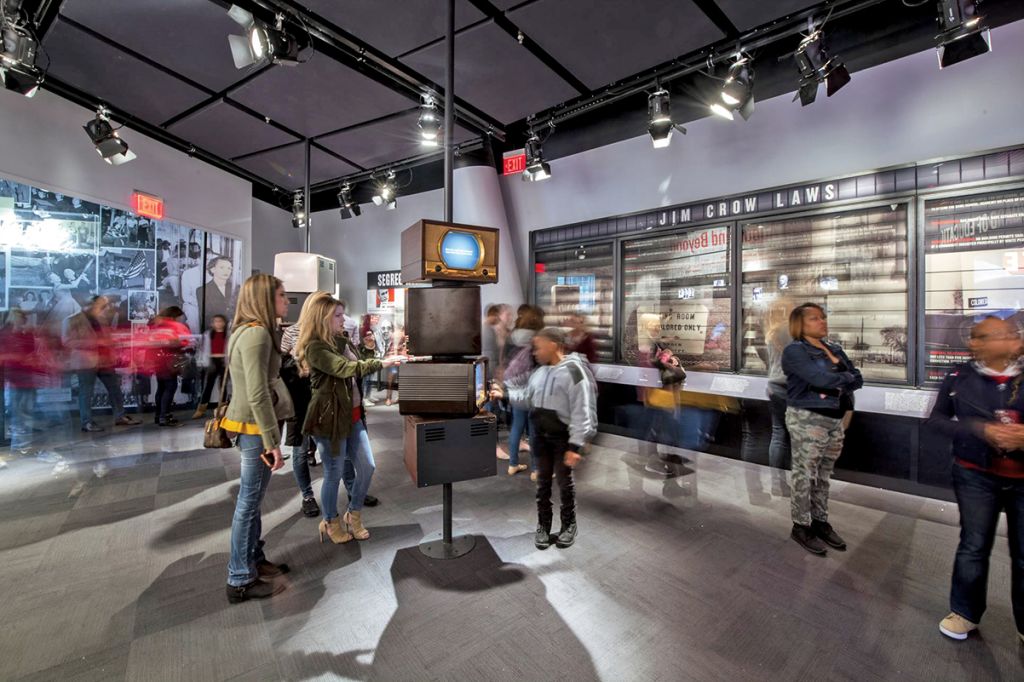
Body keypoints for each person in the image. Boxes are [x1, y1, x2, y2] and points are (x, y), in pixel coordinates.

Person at [926, 316, 1024, 642]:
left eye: (983, 337)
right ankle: (965, 611)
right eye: (973, 337)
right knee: (973, 545)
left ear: (1010, 339)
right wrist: (979, 429)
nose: (974, 343)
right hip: (975, 474)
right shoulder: (959, 375)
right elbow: (937, 420)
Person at [294, 295, 401, 544]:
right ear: (323, 318)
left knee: (367, 466)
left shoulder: (340, 340)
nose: (344, 320)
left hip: (352, 414)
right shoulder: (315, 346)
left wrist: (368, 349)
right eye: (338, 315)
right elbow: (344, 368)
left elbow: (357, 364)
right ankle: (330, 521)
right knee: (333, 472)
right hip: (328, 418)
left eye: (342, 314)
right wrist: (382, 362)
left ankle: (353, 515)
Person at [222, 274, 295, 604]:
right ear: (266, 299)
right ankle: (239, 577)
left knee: (252, 502)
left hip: (252, 427)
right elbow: (257, 393)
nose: (286, 301)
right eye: (281, 296)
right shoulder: (257, 336)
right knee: (248, 504)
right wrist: (271, 441)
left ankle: (252, 559)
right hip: (254, 430)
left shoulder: (249, 332)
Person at [493, 327, 597, 550]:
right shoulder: (540, 373)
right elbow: (528, 398)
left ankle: (569, 525)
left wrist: (575, 446)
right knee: (542, 485)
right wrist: (507, 395)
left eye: (539, 347)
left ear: (554, 345)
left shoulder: (574, 372)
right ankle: (543, 526)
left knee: (564, 484)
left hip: (563, 439)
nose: (535, 352)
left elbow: (583, 412)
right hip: (540, 438)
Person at [782, 302, 863, 556]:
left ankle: (820, 520)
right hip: (807, 418)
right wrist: (843, 379)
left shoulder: (834, 348)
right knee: (804, 474)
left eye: (823, 317)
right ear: (800, 325)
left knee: (824, 474)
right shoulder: (795, 351)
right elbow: (819, 379)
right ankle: (801, 525)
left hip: (834, 419)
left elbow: (858, 378)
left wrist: (840, 381)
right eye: (815, 318)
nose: (822, 322)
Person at [279, 293, 329, 519]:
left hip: (325, 399)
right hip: (300, 401)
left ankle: (350, 490)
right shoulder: (291, 331)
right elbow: (282, 365)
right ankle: (307, 496)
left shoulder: (329, 331)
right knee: (300, 452)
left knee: (332, 450)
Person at [62, 295, 142, 432]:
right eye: (101, 304)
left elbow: (107, 338)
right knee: (86, 392)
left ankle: (120, 416)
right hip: (85, 361)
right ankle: (86, 422)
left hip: (104, 361)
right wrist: (92, 343)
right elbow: (67, 341)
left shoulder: (102, 320)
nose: (104, 307)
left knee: (115, 389)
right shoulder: (72, 320)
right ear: (92, 303)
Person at [501, 305, 545, 476]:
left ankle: (513, 464)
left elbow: (504, 360)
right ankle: (536, 469)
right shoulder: (537, 338)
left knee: (517, 425)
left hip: (515, 389)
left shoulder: (511, 336)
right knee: (534, 428)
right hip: (533, 390)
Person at [765, 301, 793, 495]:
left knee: (778, 434)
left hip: (774, 385)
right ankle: (796, 483)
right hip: (792, 387)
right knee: (794, 436)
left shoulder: (771, 333)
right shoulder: (791, 331)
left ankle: (777, 483)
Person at [147, 306, 191, 427]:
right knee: (170, 387)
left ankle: (159, 415)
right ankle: (164, 416)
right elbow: (171, 343)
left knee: (161, 388)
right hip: (167, 360)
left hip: (157, 360)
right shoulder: (168, 327)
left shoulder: (156, 324)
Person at [193, 314, 229, 419]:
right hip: (211, 361)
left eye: (220, 321)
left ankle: (222, 409)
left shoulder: (228, 334)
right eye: (216, 321)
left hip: (224, 361)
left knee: (223, 387)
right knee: (208, 386)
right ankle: (201, 409)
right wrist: (204, 361)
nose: (218, 324)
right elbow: (202, 349)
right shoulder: (208, 334)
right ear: (212, 323)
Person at [198, 256, 238, 330]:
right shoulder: (202, 290)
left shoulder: (237, 288)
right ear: (212, 269)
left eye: (229, 268)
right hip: (214, 331)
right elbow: (206, 316)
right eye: (222, 267)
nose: (226, 271)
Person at [384, 325, 407, 406]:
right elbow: (393, 347)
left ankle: (393, 398)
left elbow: (402, 347)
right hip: (394, 359)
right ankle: (388, 398)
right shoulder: (398, 334)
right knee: (391, 379)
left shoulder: (402, 334)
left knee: (398, 379)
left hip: (399, 358)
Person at [358, 329, 379, 405]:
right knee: (365, 382)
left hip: (371, 364)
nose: (370, 336)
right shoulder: (361, 344)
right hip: (365, 365)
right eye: (368, 334)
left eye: (371, 334)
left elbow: (373, 349)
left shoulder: (372, 341)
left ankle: (368, 396)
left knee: (370, 382)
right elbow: (363, 353)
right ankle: (364, 399)